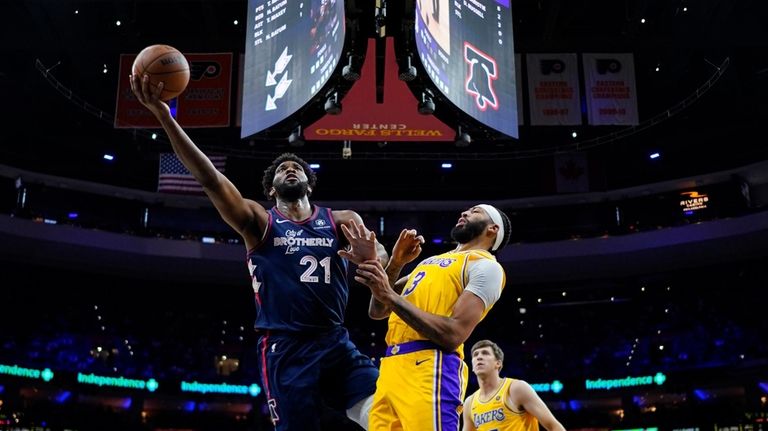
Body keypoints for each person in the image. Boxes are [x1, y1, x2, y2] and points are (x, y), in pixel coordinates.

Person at [130, 74, 388, 431]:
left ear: (309, 183)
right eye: (282, 169)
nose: (290, 168)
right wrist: (165, 117)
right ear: (271, 188)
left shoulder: (342, 220)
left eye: (296, 167)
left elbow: (383, 261)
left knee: (386, 414)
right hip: (286, 348)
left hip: (334, 341)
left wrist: (373, 259)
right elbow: (210, 180)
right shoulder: (258, 221)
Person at [346, 204, 512, 431]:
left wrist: (388, 295)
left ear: (493, 229)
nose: (464, 213)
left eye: (475, 212)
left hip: (431, 366)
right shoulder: (429, 262)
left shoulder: (486, 266)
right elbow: (378, 310)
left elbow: (453, 334)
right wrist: (396, 262)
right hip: (391, 367)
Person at [463, 340, 565, 431]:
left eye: (485, 353)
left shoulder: (516, 389)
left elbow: (553, 426)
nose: (479, 357)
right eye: (475, 355)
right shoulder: (469, 403)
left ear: (498, 363)